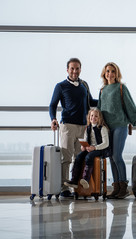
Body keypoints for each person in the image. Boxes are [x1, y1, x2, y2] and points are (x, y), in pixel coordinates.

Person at [49, 58, 98, 198]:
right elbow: (52, 105)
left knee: (79, 157)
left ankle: (78, 188)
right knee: (66, 158)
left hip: (83, 127)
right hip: (68, 127)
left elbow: (91, 102)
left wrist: (104, 98)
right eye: (72, 68)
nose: (75, 71)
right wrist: (53, 119)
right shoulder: (61, 86)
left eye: (77, 68)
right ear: (67, 70)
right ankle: (64, 188)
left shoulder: (84, 85)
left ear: (80, 69)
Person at [97, 62, 136, 199]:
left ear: (116, 74)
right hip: (107, 128)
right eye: (107, 71)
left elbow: (130, 106)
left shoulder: (121, 87)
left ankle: (124, 188)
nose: (110, 74)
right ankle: (116, 188)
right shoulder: (102, 90)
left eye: (112, 71)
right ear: (104, 74)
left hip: (120, 125)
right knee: (111, 157)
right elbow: (100, 109)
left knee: (117, 156)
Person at [64, 108, 110, 189]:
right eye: (92, 116)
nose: (93, 118)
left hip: (101, 149)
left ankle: (86, 179)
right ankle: (74, 180)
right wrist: (83, 146)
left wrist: (95, 148)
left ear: (100, 118)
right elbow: (85, 140)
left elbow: (106, 143)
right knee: (78, 157)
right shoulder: (88, 128)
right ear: (89, 117)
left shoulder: (103, 128)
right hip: (90, 148)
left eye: (96, 116)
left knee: (89, 157)